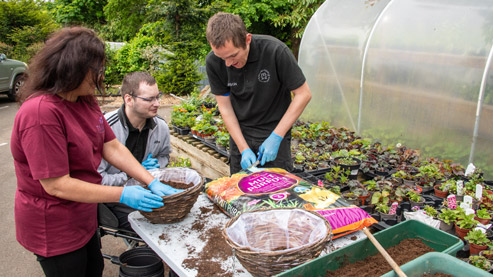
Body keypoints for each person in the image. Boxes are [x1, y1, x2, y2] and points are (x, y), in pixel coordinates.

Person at [10, 27, 179, 277]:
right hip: (55, 226)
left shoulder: (83, 99)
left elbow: (110, 145)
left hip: (83, 216)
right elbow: (56, 185)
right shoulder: (41, 113)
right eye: (97, 69)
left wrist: (150, 180)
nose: (101, 76)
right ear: (73, 68)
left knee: (94, 268)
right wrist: (123, 194)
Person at [205, 12, 312, 174]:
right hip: (240, 132)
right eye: (222, 58)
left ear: (247, 39)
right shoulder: (213, 61)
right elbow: (225, 108)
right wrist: (243, 149)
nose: (228, 64)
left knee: (277, 191)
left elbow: (303, 94)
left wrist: (276, 137)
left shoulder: (275, 51)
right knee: (241, 192)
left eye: (233, 55)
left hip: (274, 130)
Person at [98, 71, 179, 231]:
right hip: (114, 198)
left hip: (147, 189)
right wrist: (131, 175)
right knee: (159, 225)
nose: (157, 103)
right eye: (149, 99)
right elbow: (97, 180)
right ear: (129, 99)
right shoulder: (106, 128)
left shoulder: (160, 126)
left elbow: (164, 156)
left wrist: (157, 167)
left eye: (158, 96)